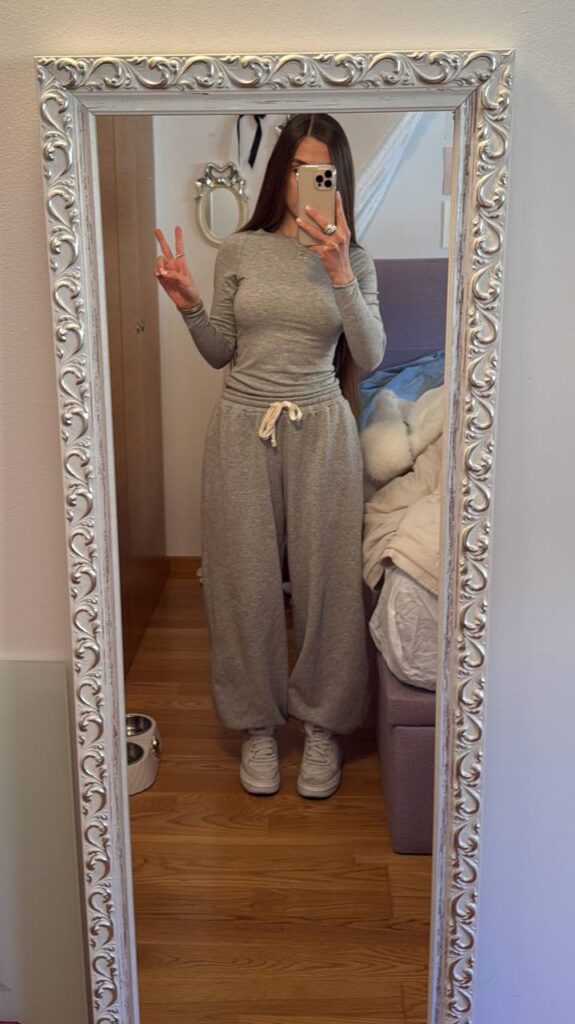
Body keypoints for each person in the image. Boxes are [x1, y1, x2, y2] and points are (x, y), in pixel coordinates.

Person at [154, 113, 386, 800]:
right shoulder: (240, 250)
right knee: (241, 578)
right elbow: (220, 351)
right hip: (240, 427)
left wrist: (339, 273)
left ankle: (322, 725)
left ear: (337, 180)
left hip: (322, 428)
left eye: (320, 171)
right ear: (279, 172)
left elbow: (370, 355)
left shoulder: (355, 259)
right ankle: (257, 723)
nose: (304, 182)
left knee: (326, 581)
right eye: (295, 168)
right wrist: (190, 306)